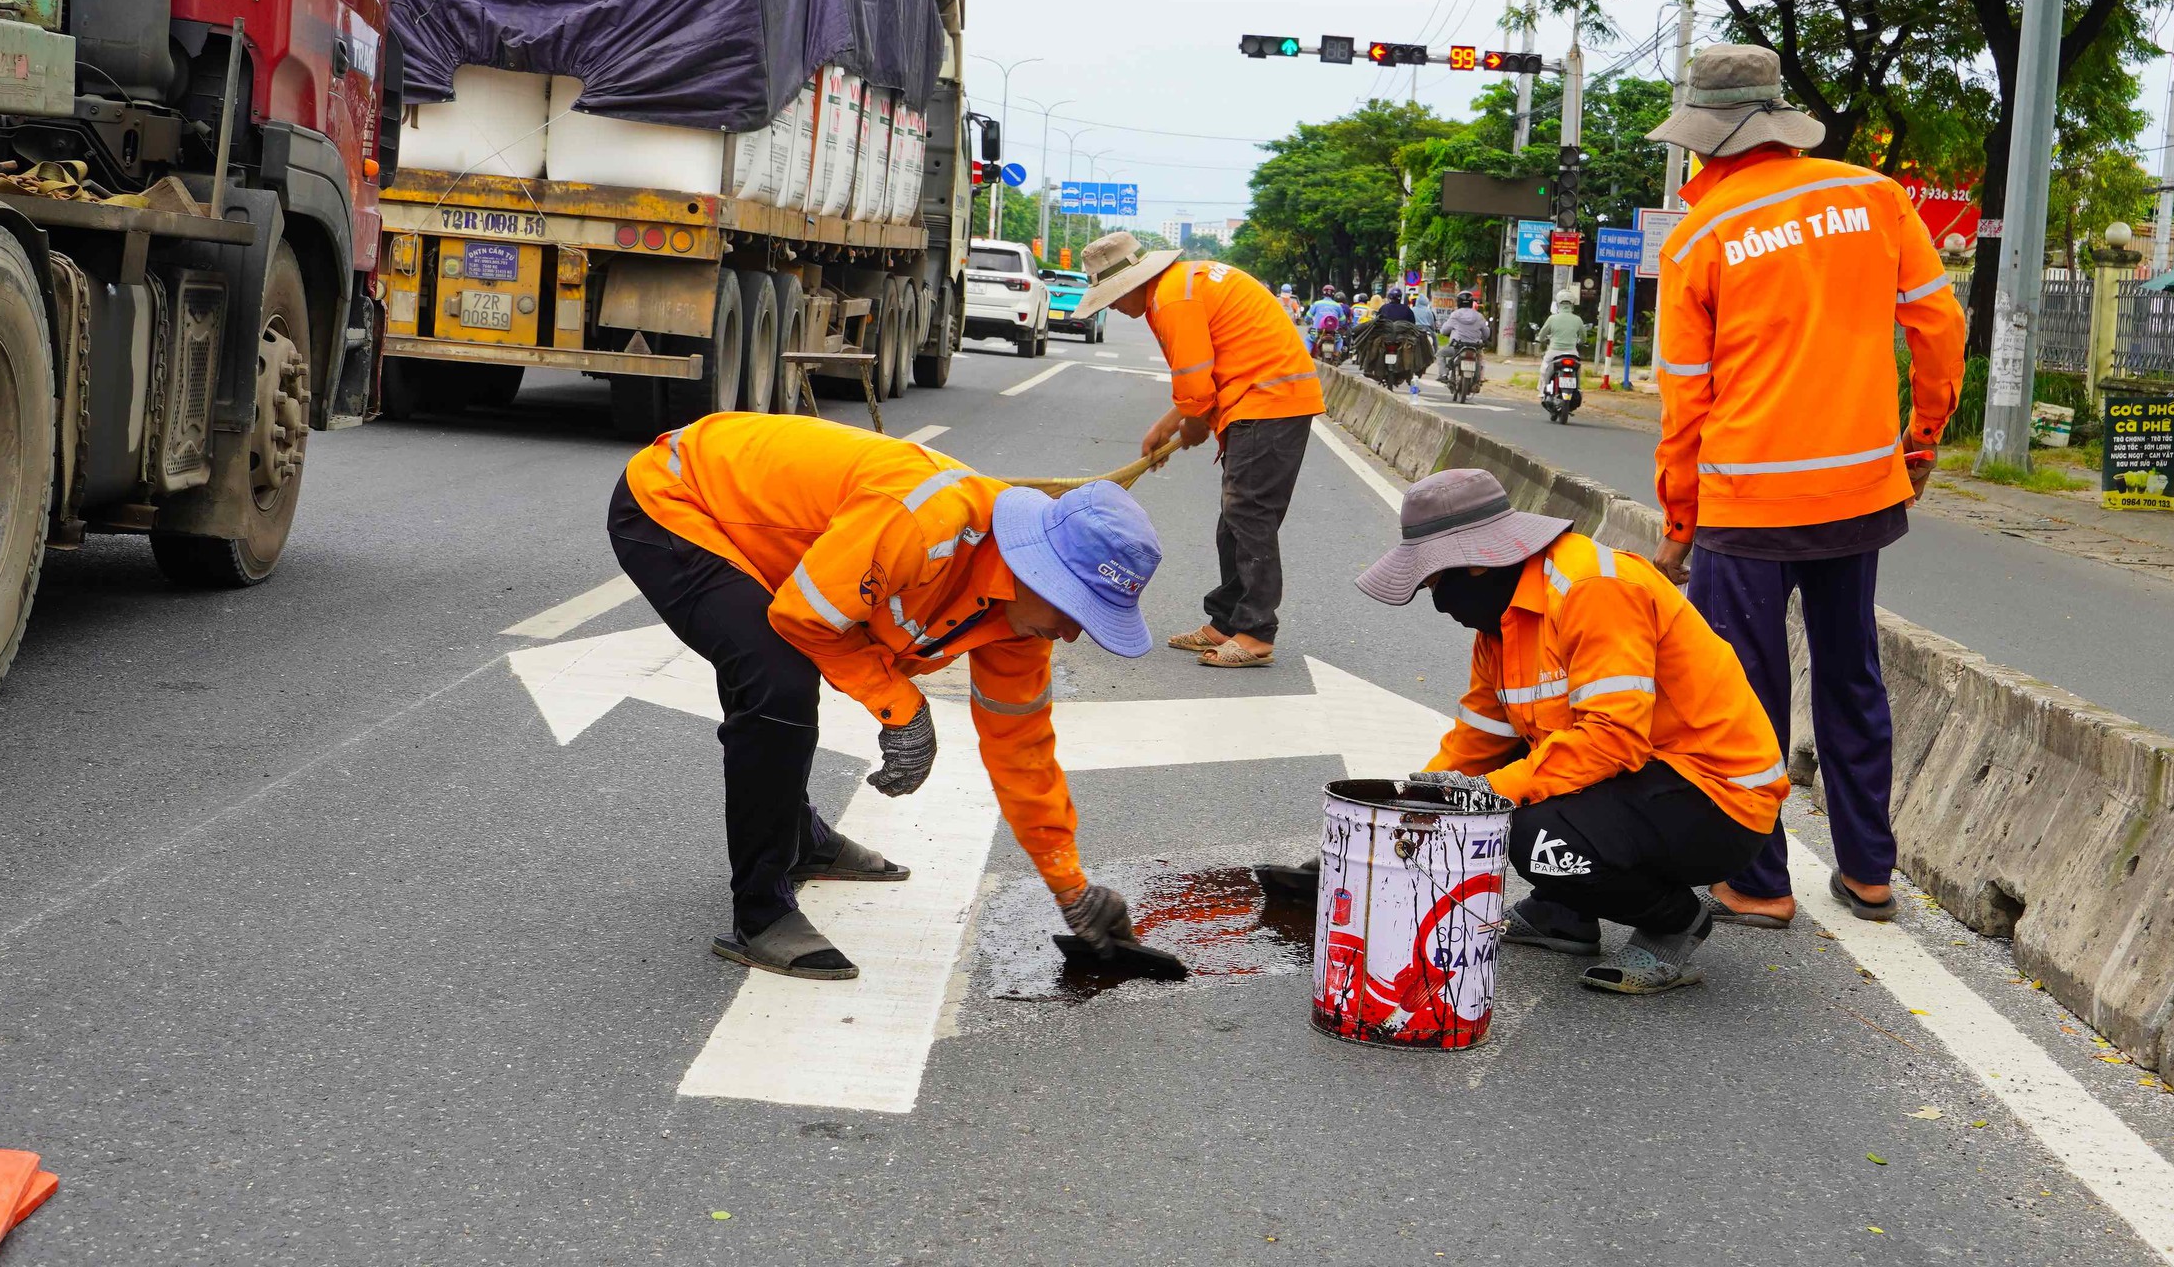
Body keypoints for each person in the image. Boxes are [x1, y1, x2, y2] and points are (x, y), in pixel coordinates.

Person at [609, 415, 1162, 979]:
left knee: (782, 666)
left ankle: (799, 837)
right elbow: (806, 619)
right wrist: (904, 711)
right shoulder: (926, 524)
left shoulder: (1020, 623)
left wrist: (1071, 888)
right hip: (678, 501)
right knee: (777, 681)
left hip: (772, 548)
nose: (1073, 634)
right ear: (1038, 573)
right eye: (1076, 612)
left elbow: (1023, 751)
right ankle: (762, 911)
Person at [1646, 43, 1967, 929]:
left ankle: (1758, 879)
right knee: (1851, 675)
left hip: (1746, 503)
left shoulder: (1700, 239)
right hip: (1861, 492)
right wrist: (1922, 438)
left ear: (1705, 143)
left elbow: (1686, 401)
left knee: (1745, 693)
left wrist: (1680, 517)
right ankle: (1869, 871)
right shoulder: (1874, 197)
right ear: (1780, 124)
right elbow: (1939, 327)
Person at [1355, 470, 1788, 994]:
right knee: (1522, 795)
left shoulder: (1591, 589)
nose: (1437, 602)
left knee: (1530, 829)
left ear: (1471, 563)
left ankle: (1674, 923)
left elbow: (1612, 738)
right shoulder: (1502, 624)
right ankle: (1563, 913)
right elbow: (1477, 746)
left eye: (1433, 584)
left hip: (1717, 799)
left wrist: (1494, 792)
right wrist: (1396, 818)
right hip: (1643, 780)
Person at [1077, 231, 1324, 668]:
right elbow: (1199, 378)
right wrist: (1168, 426)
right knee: (1234, 519)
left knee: (1249, 516)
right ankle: (1226, 620)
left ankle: (1256, 633)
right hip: (1259, 399)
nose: (1112, 306)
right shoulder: (1177, 287)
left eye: (1111, 296)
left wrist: (1192, 424)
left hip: (1268, 401)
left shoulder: (1173, 298)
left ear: (1133, 282)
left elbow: (1194, 386)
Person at [1536, 293, 1586, 391]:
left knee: (1544, 368)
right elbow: (1583, 337)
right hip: (1572, 352)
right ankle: (1577, 388)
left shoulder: (1552, 318)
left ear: (1558, 304)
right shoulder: (1578, 319)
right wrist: (1581, 341)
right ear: (1572, 305)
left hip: (1554, 351)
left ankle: (1542, 390)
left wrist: (1539, 339)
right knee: (1577, 369)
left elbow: (1542, 334)